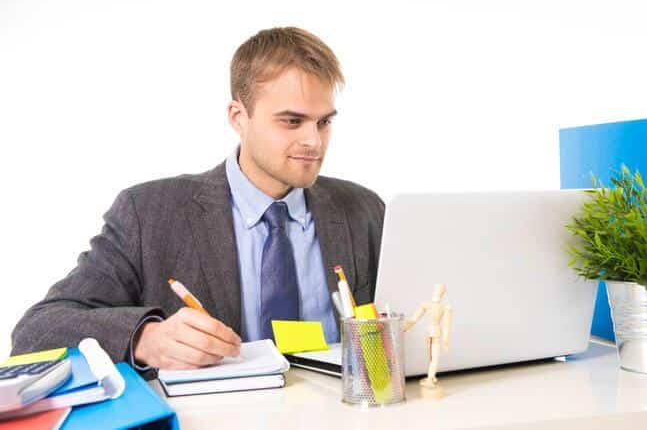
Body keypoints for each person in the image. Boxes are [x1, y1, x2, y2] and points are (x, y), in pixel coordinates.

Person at [11, 27, 384, 373]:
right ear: (238, 117)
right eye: (291, 121)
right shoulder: (149, 213)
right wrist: (145, 338)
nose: (314, 142)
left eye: (324, 122)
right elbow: (38, 329)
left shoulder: (364, 210)